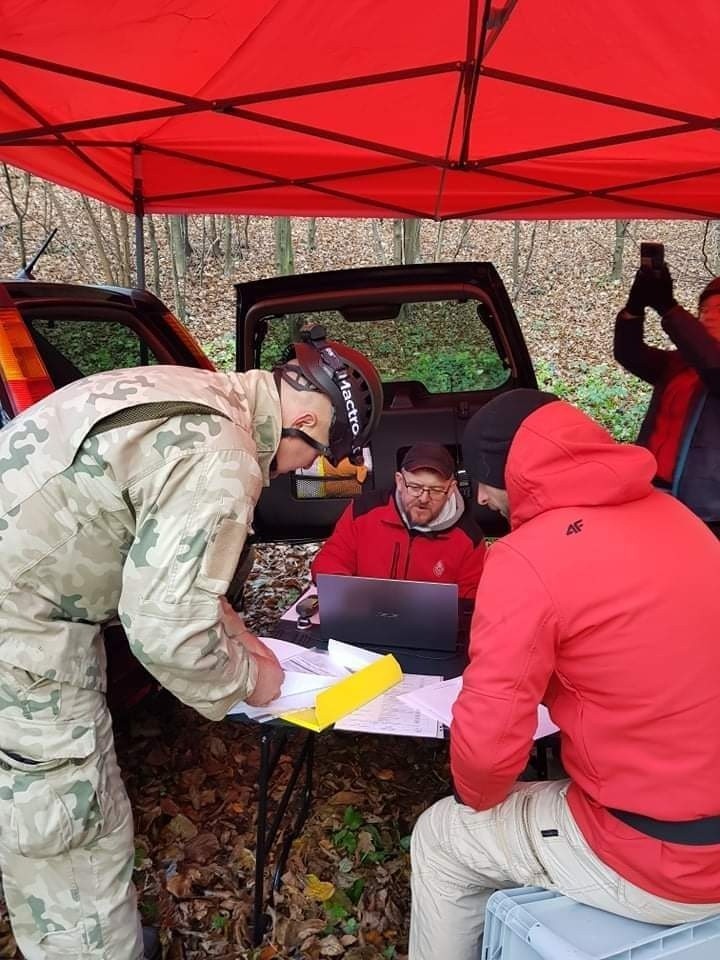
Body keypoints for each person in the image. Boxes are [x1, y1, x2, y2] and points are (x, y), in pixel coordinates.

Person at [0, 324, 382, 960]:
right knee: (72, 824)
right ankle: (85, 942)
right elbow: (167, 628)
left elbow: (174, 578)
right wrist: (252, 684)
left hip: (30, 599)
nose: (304, 470)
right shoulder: (224, 456)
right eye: (314, 453)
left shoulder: (202, 396)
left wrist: (242, 636)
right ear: (310, 414)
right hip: (23, 627)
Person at [409, 389, 720, 960]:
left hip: (665, 858)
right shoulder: (678, 515)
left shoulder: (526, 558)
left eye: (480, 477)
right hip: (701, 814)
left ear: (510, 472)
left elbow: (485, 757)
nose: (479, 496)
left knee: (442, 835)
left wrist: (476, 795)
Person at [615, 265, 720, 531]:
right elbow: (629, 353)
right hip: (653, 493)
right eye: (704, 310)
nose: (708, 316)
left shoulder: (708, 364)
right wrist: (634, 309)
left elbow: (713, 366)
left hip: (708, 512)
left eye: (719, 310)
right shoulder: (681, 364)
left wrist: (669, 307)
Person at [311, 442, 486, 603]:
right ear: (400, 482)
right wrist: (349, 595)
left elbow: (471, 601)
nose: (424, 498)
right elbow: (329, 561)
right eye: (415, 487)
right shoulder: (364, 509)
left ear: (451, 490)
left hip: (429, 632)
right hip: (362, 615)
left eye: (436, 490)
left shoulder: (469, 538)